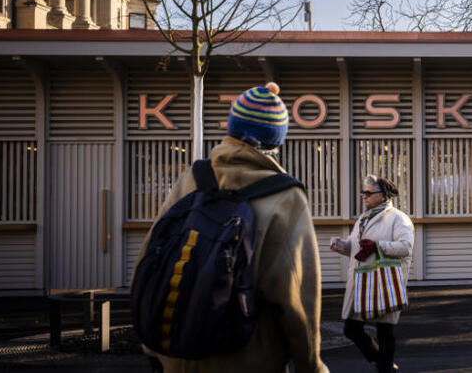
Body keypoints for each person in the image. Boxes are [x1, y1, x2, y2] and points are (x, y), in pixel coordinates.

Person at [139, 83, 328, 373]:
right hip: (245, 358)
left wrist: (152, 346)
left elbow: (149, 257)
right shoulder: (286, 197)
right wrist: (311, 366)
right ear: (275, 141)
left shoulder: (192, 178)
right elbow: (297, 297)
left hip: (175, 357)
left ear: (231, 128)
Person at [330, 175, 414, 373]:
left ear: (383, 195)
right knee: (351, 329)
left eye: (369, 193)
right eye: (363, 192)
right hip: (361, 281)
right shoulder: (363, 218)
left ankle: (385, 368)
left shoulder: (398, 218)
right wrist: (342, 246)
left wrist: (377, 246)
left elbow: (405, 247)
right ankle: (382, 362)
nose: (364, 196)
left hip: (384, 281)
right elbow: (357, 248)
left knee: (385, 331)